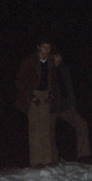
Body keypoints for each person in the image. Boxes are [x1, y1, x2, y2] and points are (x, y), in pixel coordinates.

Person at [16, 38, 57, 167]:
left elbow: (53, 79)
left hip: (45, 95)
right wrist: (30, 95)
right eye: (44, 47)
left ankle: (47, 159)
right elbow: (20, 81)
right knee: (35, 128)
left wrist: (51, 94)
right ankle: (36, 160)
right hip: (33, 94)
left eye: (49, 48)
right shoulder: (29, 61)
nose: (46, 51)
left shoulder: (50, 61)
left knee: (45, 127)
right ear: (38, 47)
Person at [49, 52, 91, 164]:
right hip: (50, 108)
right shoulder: (46, 70)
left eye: (58, 56)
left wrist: (72, 104)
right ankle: (53, 160)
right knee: (49, 132)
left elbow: (69, 88)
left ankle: (84, 155)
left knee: (82, 124)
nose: (56, 59)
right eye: (54, 57)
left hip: (65, 106)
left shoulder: (64, 69)